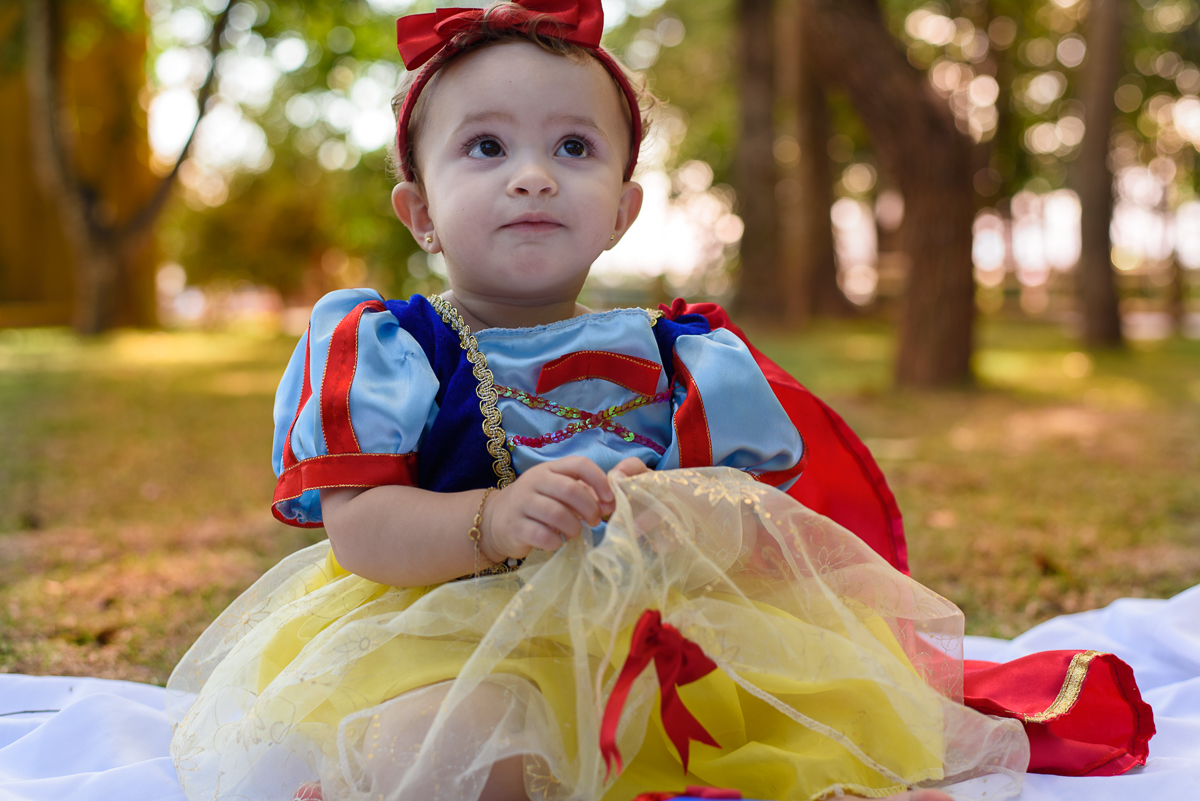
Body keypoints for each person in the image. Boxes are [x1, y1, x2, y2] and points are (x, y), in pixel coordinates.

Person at [165, 2, 1029, 800]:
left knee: (827, 730)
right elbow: (359, 529)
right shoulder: (392, 346)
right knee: (440, 742)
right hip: (445, 634)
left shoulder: (680, 354)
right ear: (419, 210)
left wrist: (681, 521)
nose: (534, 176)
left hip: (654, 637)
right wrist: (493, 518)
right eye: (487, 147)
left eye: (573, 148)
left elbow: (760, 522)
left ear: (621, 209)